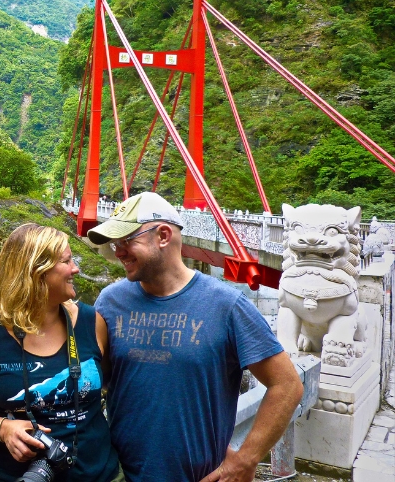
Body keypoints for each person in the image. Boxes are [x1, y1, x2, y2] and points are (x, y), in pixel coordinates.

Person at [88, 192, 303, 482]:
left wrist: (245, 460)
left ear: (163, 235)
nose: (118, 252)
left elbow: (287, 385)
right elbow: (94, 380)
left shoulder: (227, 306)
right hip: (120, 474)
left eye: (126, 241)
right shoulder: (109, 302)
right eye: (115, 244)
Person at [0, 223, 122, 482]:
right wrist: (3, 429)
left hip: (100, 474)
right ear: (37, 272)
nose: (75, 269)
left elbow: (110, 383)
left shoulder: (92, 322)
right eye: (67, 261)